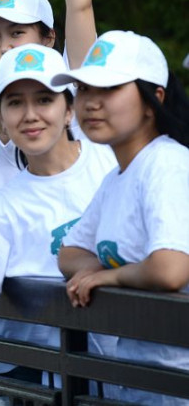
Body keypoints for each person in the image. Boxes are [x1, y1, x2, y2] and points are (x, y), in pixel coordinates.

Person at [0, 44, 116, 384]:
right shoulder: (2, 209)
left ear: (69, 110)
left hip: (140, 371)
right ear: (1, 117)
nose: (30, 115)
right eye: (15, 103)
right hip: (52, 382)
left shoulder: (113, 165)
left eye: (44, 99)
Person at [56, 31, 189, 404]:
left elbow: (170, 269)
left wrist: (109, 275)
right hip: (139, 378)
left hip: (175, 381)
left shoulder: (167, 164)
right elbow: (68, 254)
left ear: (154, 100)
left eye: (109, 88)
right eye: (83, 89)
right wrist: (97, 268)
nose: (91, 103)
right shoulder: (117, 177)